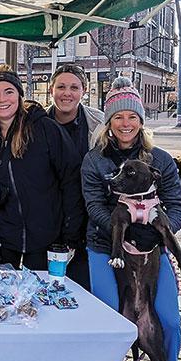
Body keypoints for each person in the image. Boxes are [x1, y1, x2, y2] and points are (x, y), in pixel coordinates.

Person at [82, 76, 181, 361]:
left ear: (141, 121)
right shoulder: (95, 161)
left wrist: (155, 232)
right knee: (109, 319)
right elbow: (94, 205)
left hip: (150, 254)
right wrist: (124, 228)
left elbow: (176, 205)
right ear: (108, 123)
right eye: (117, 117)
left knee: (168, 319)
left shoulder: (160, 159)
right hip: (105, 247)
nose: (125, 124)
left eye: (131, 117)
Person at [0, 65, 84, 271]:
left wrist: (69, 238)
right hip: (3, 243)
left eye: (9, 92)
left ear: (19, 96)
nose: (2, 99)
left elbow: (71, 182)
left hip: (47, 242)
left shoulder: (45, 129)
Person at [46, 63, 105, 289]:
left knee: (84, 287)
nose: (66, 93)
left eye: (74, 87)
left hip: (89, 221)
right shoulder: (37, 122)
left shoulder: (98, 124)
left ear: (84, 90)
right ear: (51, 90)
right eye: (61, 87)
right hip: (49, 220)